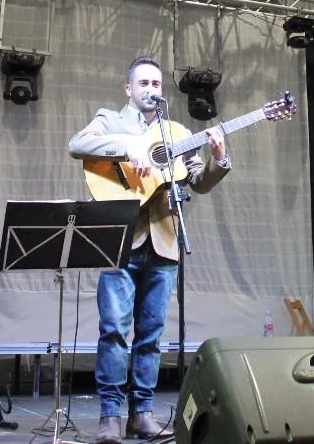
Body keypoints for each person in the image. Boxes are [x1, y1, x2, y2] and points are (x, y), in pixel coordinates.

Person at [68, 55, 231, 444]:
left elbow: (198, 181)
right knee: (113, 330)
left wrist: (219, 159)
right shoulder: (110, 119)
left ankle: (142, 414)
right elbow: (78, 144)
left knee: (151, 334)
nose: (151, 90)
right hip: (119, 240)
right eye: (143, 83)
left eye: (156, 84)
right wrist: (131, 147)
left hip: (164, 239)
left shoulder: (176, 131)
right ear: (128, 89)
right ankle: (110, 415)